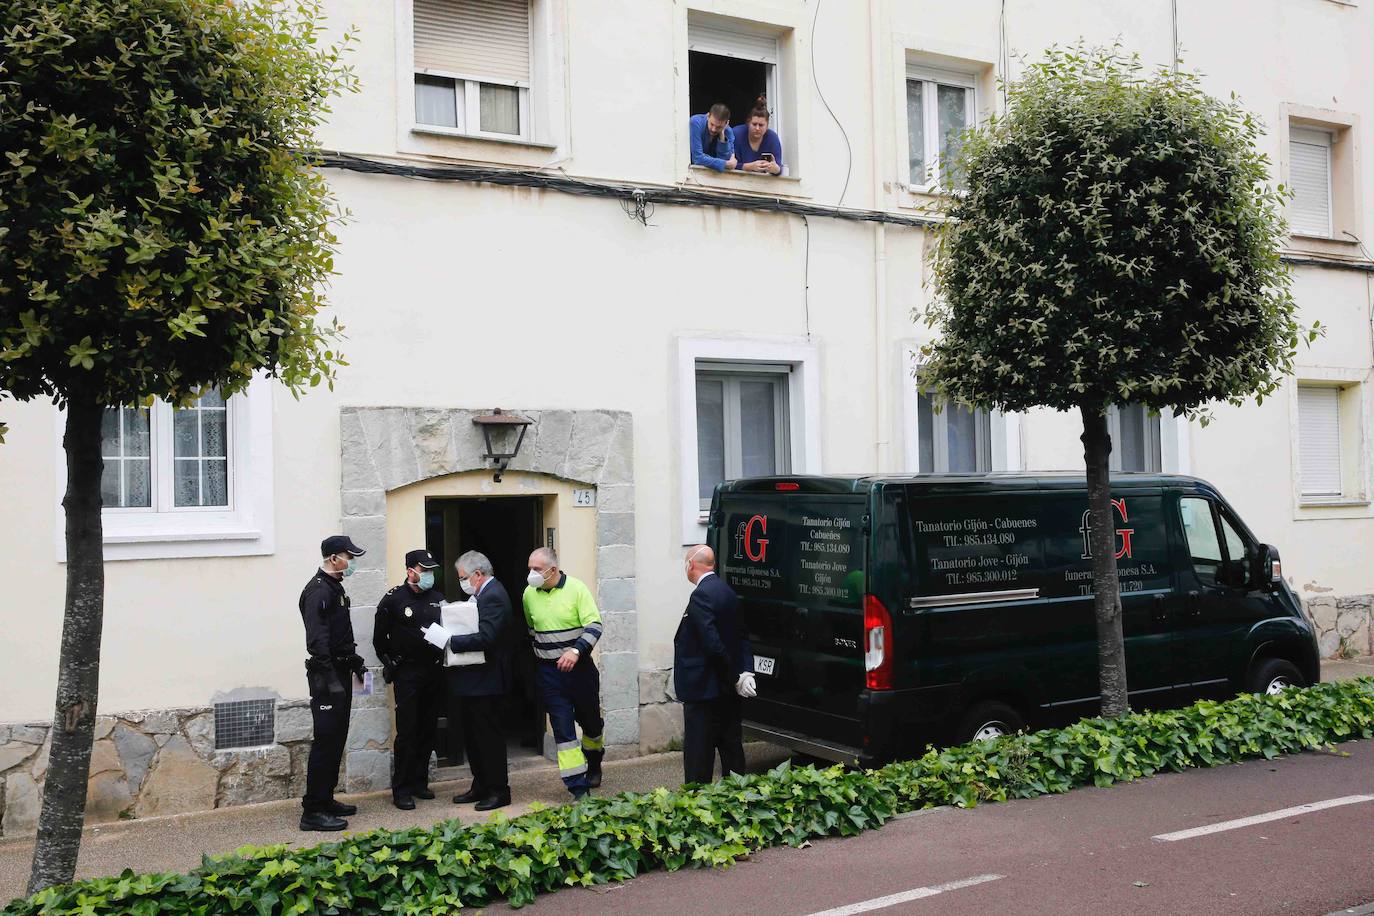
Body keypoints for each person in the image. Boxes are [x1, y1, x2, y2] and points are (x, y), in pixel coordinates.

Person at [422, 550, 514, 811]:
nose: (461, 582)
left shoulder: (493, 595)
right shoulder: (481, 595)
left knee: (488, 737)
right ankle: (481, 784)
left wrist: (449, 640)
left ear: (477, 574)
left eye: (463, 577)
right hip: (475, 680)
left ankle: (498, 790)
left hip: (489, 681)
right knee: (473, 736)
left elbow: (487, 637)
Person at [298, 534, 368, 831]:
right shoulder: (318, 592)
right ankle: (312, 811)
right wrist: (330, 679)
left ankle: (325, 798)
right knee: (325, 742)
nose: (351, 563)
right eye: (348, 557)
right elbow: (317, 641)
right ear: (334, 558)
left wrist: (354, 661)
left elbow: (338, 635)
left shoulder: (334, 588)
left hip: (339, 671)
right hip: (326, 677)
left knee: (336, 739)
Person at [522, 547, 605, 798]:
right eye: (529, 569)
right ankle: (578, 789)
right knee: (563, 729)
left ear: (553, 570)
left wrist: (576, 651)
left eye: (536, 569)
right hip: (549, 674)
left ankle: (594, 763)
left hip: (580, 671)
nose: (531, 574)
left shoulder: (577, 589)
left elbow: (594, 625)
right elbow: (531, 630)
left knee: (590, 723)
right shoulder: (528, 594)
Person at [675, 544, 756, 785]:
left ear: (691, 565)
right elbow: (742, 636)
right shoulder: (727, 591)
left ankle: (697, 805)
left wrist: (734, 676)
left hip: (704, 689)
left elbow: (712, 644)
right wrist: (745, 672)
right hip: (726, 689)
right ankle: (737, 797)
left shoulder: (701, 595)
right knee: (731, 747)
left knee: (699, 754)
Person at [373, 549, 444, 810]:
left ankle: (419, 782)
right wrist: (391, 664)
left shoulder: (438, 598)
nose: (428, 575)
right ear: (410, 571)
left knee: (428, 728)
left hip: (433, 671)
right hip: (408, 673)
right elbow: (379, 639)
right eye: (424, 570)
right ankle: (401, 789)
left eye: (431, 570)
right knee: (407, 731)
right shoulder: (393, 599)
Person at [731, 95, 782, 175]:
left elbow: (779, 168)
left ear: (767, 125)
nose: (757, 128)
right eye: (754, 124)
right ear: (748, 123)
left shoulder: (773, 138)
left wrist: (775, 169)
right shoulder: (736, 134)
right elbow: (727, 163)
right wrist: (749, 167)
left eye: (761, 125)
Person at [689, 102, 737, 172]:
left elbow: (726, 160)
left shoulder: (728, 131)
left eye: (719, 127)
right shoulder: (696, 122)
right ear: (708, 116)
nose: (713, 129)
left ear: (726, 123)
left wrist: (722, 136)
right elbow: (697, 158)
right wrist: (724, 164)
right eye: (712, 124)